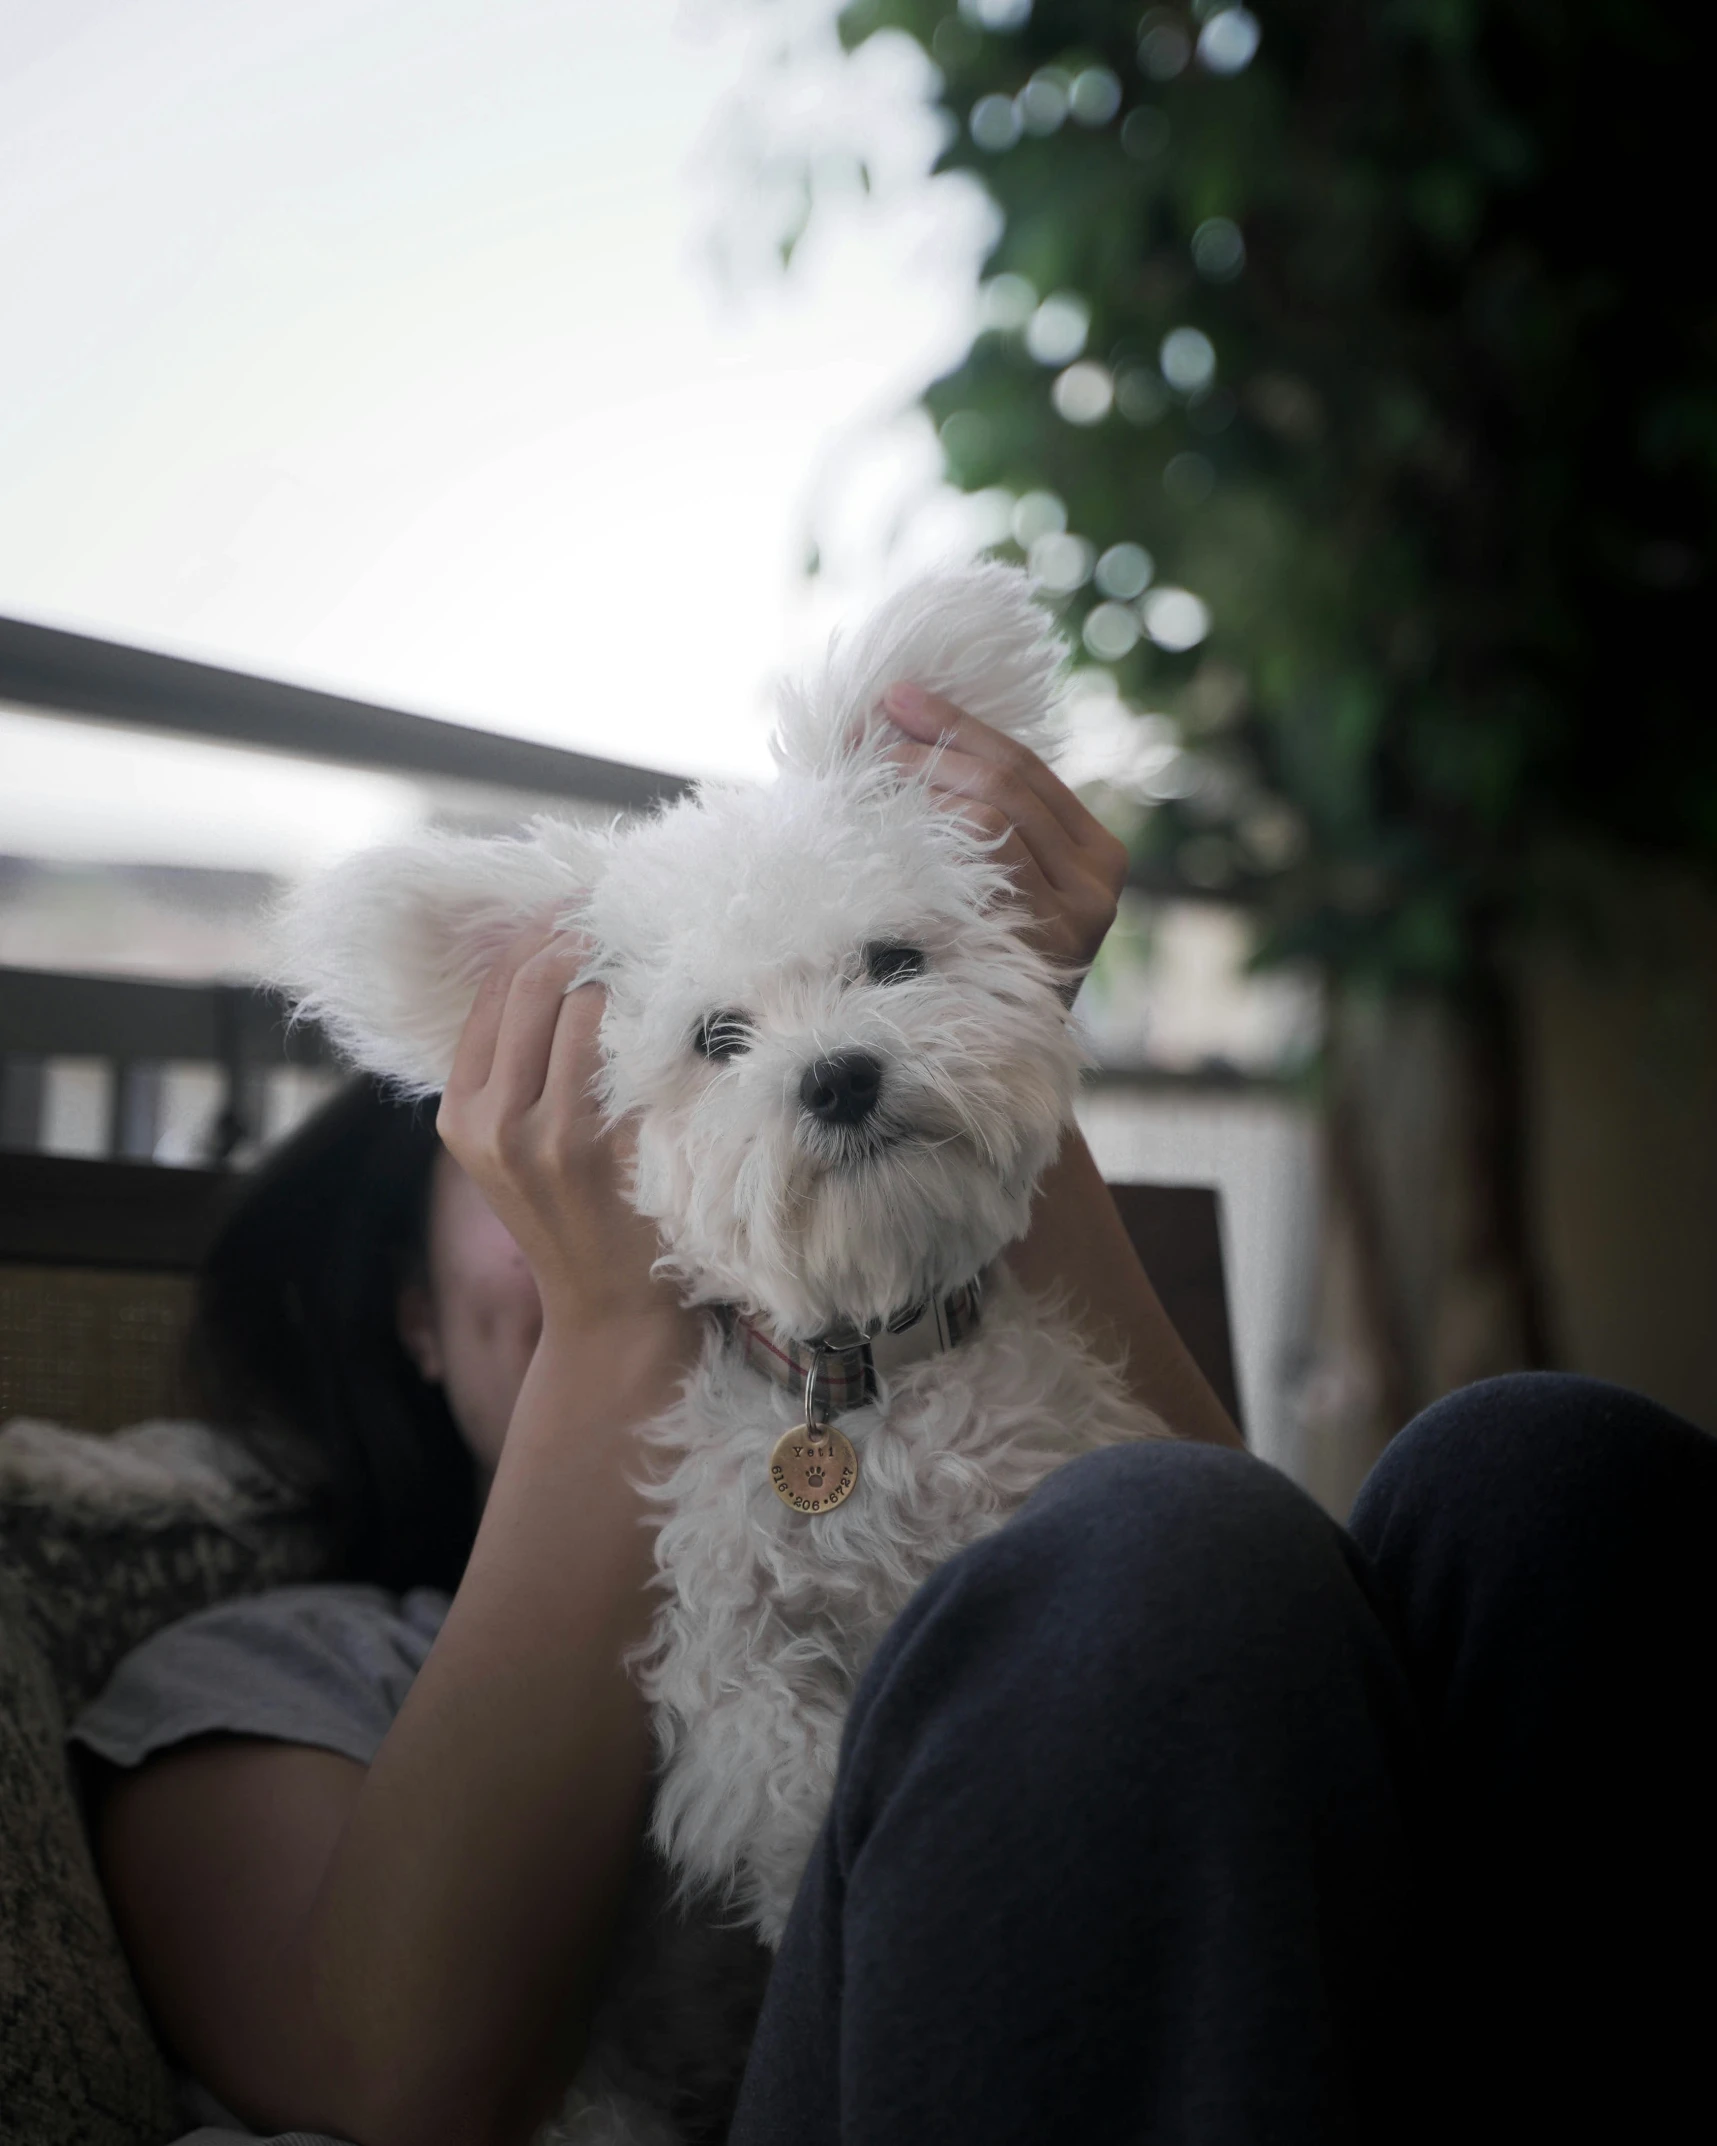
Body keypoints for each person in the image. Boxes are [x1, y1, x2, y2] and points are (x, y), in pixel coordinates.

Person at [71, 690, 1717, 2146]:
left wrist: (982, 1067)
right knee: (1155, 1551)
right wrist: (623, 1302)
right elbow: (408, 2082)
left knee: (1547, 1474)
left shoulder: (1032, 1456)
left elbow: (1268, 1670)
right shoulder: (275, 1658)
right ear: (410, 1316)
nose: (587, 1170)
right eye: (530, 1151)